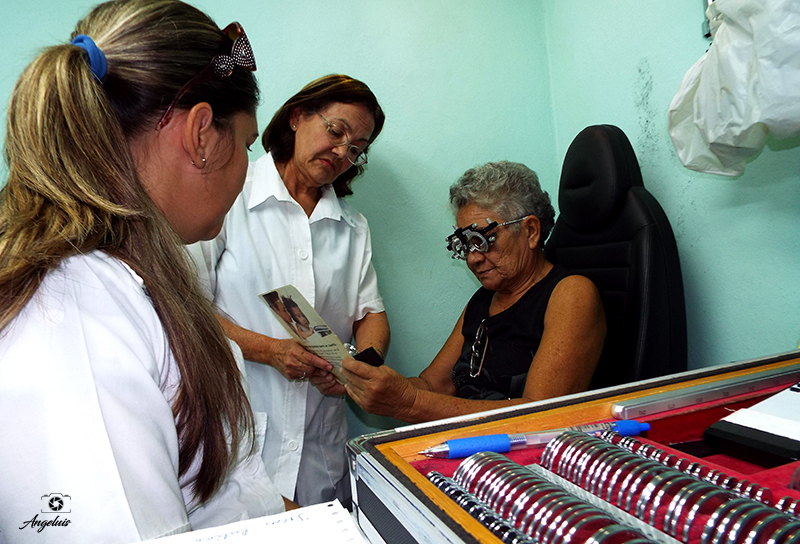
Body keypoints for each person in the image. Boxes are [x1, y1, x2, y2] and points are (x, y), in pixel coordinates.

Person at [0, 1, 290, 542]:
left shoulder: (123, 279)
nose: (248, 173)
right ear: (202, 134)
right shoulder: (75, 306)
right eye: (248, 145)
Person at [189, 74, 389, 506]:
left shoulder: (352, 225)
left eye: (357, 149)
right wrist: (268, 350)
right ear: (298, 117)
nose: (342, 152)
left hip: (320, 441)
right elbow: (187, 305)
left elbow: (370, 314)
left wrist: (362, 368)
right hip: (241, 431)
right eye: (336, 131)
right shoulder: (232, 195)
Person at [338, 161, 606, 424]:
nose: (473, 259)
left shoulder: (571, 295)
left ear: (531, 231)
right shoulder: (485, 299)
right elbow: (433, 384)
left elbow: (539, 415)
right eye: (465, 244)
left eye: (482, 240)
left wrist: (409, 403)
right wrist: (362, 384)